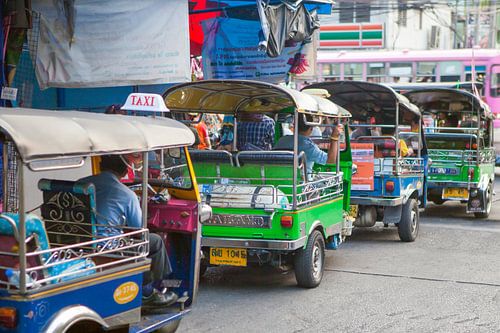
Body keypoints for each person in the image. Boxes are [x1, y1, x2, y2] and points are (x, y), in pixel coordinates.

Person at [79, 155, 177, 308]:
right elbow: (139, 230)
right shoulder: (126, 194)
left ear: (101, 165)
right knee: (154, 241)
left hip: (77, 243)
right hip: (107, 248)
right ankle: (149, 292)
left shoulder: (81, 183)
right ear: (125, 171)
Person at [274, 114, 340, 178]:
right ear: (311, 128)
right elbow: (331, 160)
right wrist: (334, 138)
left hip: (278, 181)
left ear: (294, 126)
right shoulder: (308, 146)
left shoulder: (282, 140)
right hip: (301, 185)